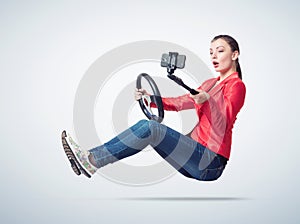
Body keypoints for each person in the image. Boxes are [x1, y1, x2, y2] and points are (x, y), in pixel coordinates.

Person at [61, 34, 246, 181]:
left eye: (220, 51)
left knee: (151, 128)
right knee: (149, 128)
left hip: (210, 162)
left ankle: (92, 160)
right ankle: (91, 159)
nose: (214, 56)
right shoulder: (210, 83)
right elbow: (181, 101)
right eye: (211, 52)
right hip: (194, 157)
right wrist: (150, 100)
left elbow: (225, 119)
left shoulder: (236, 86)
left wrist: (209, 100)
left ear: (234, 54)